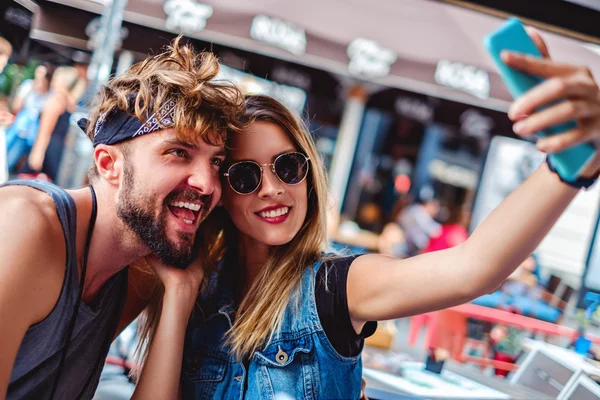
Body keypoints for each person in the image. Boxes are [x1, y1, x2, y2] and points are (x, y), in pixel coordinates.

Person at [132, 29, 600, 399]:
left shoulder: (335, 286)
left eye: (288, 166)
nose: (273, 188)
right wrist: (178, 293)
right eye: (246, 177)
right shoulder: (195, 286)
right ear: (223, 193)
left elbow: (472, 269)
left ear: (308, 176)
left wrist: (566, 167)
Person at [0, 37, 245, 399]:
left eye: (216, 162)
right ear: (108, 164)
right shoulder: (26, 224)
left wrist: (179, 293)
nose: (207, 184)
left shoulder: (138, 267)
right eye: (178, 152)